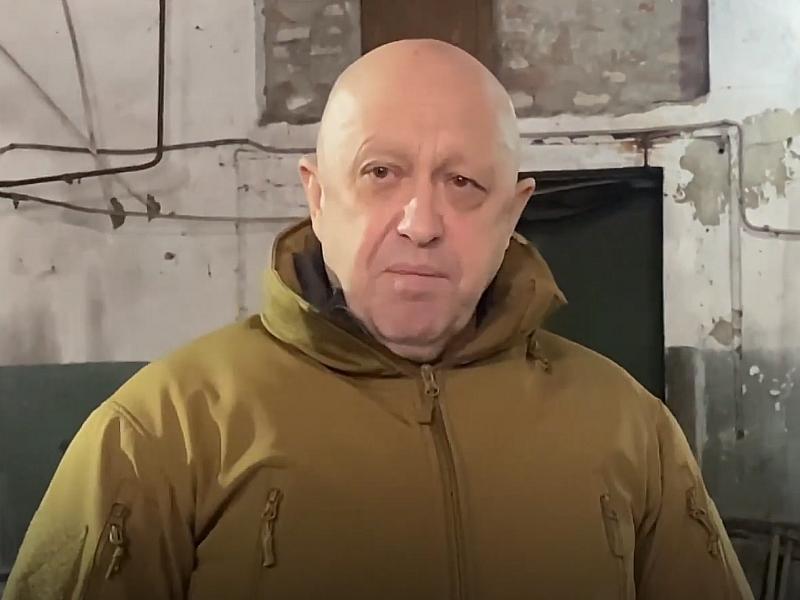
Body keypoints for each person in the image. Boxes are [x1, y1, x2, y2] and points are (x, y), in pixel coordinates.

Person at [5, 39, 753, 600]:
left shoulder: (631, 428)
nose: (420, 223)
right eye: (380, 172)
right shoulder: (160, 432)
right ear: (318, 196)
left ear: (512, 211)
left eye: (463, 182)